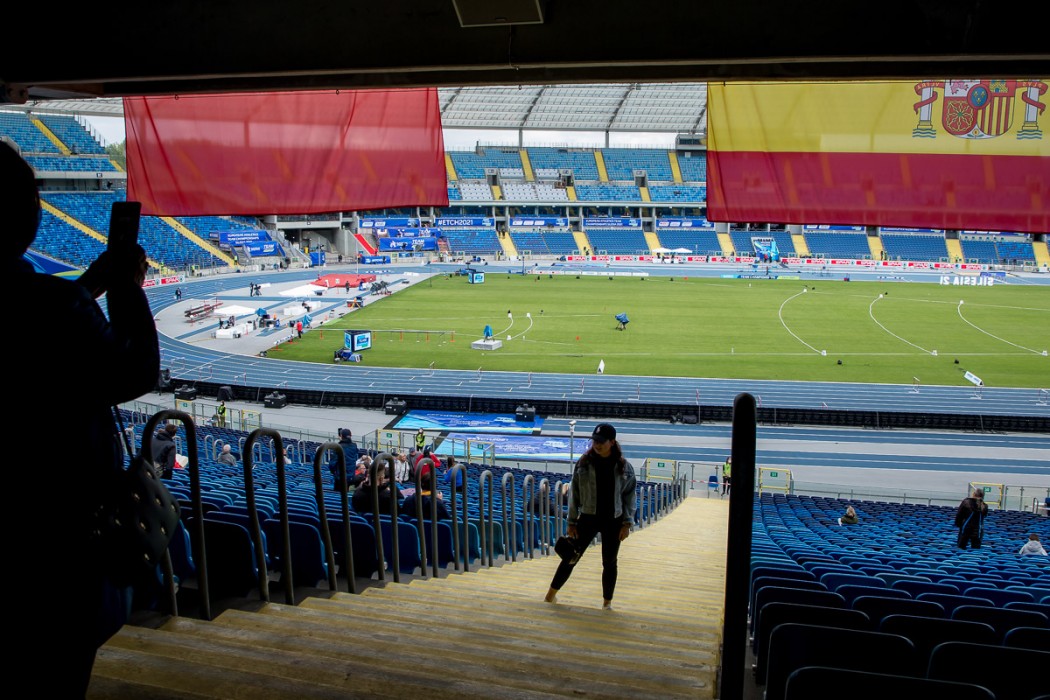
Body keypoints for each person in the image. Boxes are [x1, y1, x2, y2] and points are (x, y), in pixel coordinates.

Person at [2, 142, 160, 696]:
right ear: (26, 218)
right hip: (55, 543)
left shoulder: (55, 304)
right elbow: (136, 369)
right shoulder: (55, 307)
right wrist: (126, 288)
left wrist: (87, 286)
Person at [544, 423, 636, 611]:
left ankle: (607, 604)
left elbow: (629, 497)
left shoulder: (624, 467)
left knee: (609, 563)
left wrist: (627, 524)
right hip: (588, 517)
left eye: (601, 442)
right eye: (595, 441)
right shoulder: (584, 463)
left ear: (612, 442)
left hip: (613, 520)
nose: (597, 445)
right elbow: (574, 495)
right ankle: (549, 596)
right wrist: (571, 522)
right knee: (570, 557)